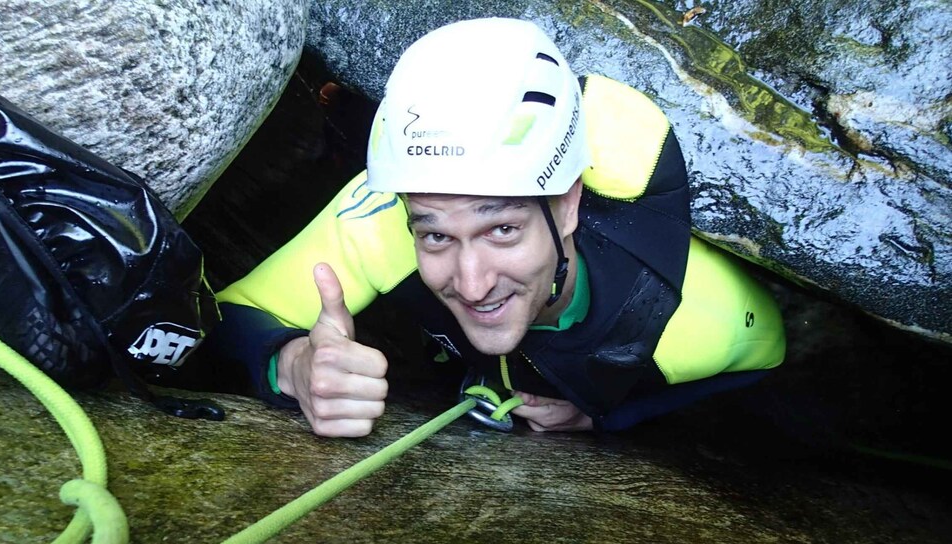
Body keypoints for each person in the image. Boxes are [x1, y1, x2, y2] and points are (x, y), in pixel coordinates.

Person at [206, 17, 786, 437]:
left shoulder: (694, 316)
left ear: (566, 207)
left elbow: (768, 357)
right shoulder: (384, 223)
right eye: (434, 235)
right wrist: (293, 364)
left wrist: (601, 413)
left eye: (502, 230)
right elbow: (223, 310)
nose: (473, 281)